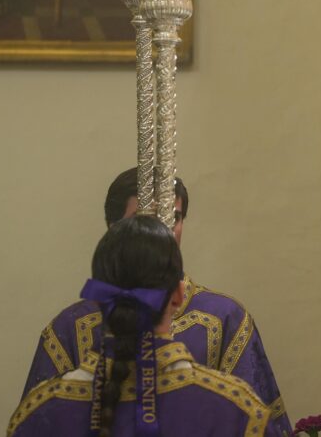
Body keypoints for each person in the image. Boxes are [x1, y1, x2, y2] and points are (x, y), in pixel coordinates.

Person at [21, 169, 292, 437]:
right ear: (113, 229)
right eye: (144, 220)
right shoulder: (70, 327)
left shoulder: (225, 319)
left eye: (174, 218)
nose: (162, 231)